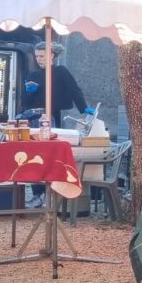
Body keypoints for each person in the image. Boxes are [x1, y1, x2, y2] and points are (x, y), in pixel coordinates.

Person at [20, 42, 91, 207]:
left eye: (42, 56)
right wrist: (29, 92)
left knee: (49, 154)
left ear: (51, 56)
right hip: (33, 118)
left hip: (53, 115)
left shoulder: (61, 71)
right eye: (37, 56)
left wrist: (83, 108)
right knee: (33, 155)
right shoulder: (33, 75)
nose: (39, 60)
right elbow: (24, 102)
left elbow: (74, 89)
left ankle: (49, 193)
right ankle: (38, 193)